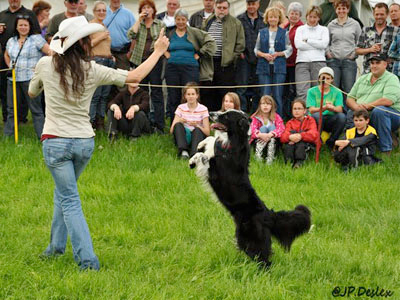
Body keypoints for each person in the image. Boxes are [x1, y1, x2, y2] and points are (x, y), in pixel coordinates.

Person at [28, 16, 169, 270]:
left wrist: (40, 80)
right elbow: (135, 75)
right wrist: (158, 51)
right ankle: (55, 248)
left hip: (56, 142)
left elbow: (31, 92)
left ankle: (88, 262)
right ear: (82, 45)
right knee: (64, 193)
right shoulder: (92, 70)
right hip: (83, 143)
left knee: (69, 198)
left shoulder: (45, 64)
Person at [165, 9, 216, 122]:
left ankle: (193, 121)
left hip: (190, 68)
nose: (180, 22)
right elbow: (157, 43)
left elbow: (210, 41)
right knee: (173, 96)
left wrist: (200, 54)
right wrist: (166, 53)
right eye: (178, 19)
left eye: (183, 19)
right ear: (175, 20)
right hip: (172, 68)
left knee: (190, 95)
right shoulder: (169, 33)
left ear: (187, 20)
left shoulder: (194, 32)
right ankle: (176, 123)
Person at [3, 14, 50, 139]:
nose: (23, 27)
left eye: (25, 25)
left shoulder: (36, 39)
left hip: (31, 79)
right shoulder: (11, 41)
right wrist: (9, 66)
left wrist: (40, 67)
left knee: (36, 110)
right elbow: (6, 54)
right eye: (20, 25)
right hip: (13, 79)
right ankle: (8, 137)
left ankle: (43, 137)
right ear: (16, 27)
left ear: (30, 26)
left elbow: (50, 52)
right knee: (11, 109)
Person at [346, 53, 400, 154]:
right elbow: (350, 98)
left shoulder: (392, 78)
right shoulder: (363, 78)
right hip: (364, 112)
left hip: (391, 115)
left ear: (385, 64)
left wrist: (367, 106)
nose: (374, 66)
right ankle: (353, 146)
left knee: (379, 111)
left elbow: (388, 100)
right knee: (351, 113)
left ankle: (386, 149)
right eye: (372, 63)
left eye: (377, 63)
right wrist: (356, 108)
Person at [127, 0, 165, 134]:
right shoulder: (140, 25)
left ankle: (159, 126)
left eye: (149, 7)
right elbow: (130, 35)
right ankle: (143, 123)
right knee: (141, 93)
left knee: (156, 93)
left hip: (154, 63)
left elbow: (161, 41)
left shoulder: (160, 24)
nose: (147, 10)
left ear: (154, 10)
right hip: (140, 63)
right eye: (144, 8)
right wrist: (139, 20)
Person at [0, 0, 40, 123]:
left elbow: (37, 34)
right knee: (5, 92)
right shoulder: (1, 14)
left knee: (24, 93)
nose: (14, 0)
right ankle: (8, 119)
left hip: (25, 61)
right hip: (5, 58)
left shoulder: (29, 13)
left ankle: (22, 119)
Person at [201, 0, 245, 112]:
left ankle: (225, 115)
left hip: (226, 64)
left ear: (228, 9)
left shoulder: (236, 23)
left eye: (224, 8)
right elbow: (201, 38)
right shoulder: (208, 21)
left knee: (224, 92)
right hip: (209, 63)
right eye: (219, 7)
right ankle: (210, 116)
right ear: (215, 7)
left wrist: (232, 57)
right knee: (208, 91)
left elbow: (240, 44)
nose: (221, 10)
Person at [255, 7, 292, 117]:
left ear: (279, 18)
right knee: (265, 94)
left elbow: (289, 49)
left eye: (275, 17)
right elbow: (256, 50)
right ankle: (264, 120)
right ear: (267, 18)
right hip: (264, 67)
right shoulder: (262, 32)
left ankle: (278, 120)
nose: (273, 19)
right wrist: (264, 55)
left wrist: (278, 54)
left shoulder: (284, 32)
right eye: (271, 17)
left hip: (279, 67)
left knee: (277, 94)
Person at [326, 0, 361, 97]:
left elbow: (360, 42)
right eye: (339, 8)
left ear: (348, 9)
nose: (341, 11)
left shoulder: (355, 24)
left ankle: (348, 112)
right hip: (333, 61)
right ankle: (336, 111)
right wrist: (328, 54)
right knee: (333, 89)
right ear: (336, 10)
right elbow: (326, 42)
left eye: (344, 8)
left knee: (348, 90)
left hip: (349, 61)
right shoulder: (331, 25)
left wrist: (354, 54)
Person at [294, 5, 329, 101]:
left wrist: (307, 40)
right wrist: (316, 43)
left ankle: (316, 114)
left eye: (315, 17)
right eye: (310, 16)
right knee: (302, 91)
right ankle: (304, 115)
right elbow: (298, 45)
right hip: (302, 62)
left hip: (319, 62)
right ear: (306, 16)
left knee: (318, 91)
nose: (312, 19)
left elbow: (324, 45)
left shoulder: (324, 29)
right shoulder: (300, 29)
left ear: (319, 18)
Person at [306, 67, 346, 149]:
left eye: (328, 78)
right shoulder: (311, 91)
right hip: (316, 119)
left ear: (332, 80)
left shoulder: (337, 91)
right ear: (319, 79)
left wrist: (332, 108)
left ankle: (332, 141)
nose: (325, 80)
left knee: (342, 117)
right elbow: (311, 110)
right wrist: (323, 108)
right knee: (317, 116)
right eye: (323, 78)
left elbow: (340, 109)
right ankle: (316, 141)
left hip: (331, 118)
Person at [236, 0, 265, 113]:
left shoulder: (264, 18)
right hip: (244, 57)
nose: (251, 6)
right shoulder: (239, 19)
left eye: (253, 4)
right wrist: (239, 52)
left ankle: (256, 111)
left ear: (258, 4)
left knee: (258, 87)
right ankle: (242, 111)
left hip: (260, 57)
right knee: (242, 87)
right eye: (249, 4)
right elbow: (236, 37)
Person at [89, 0, 114, 130]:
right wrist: (102, 37)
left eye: (104, 10)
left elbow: (105, 45)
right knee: (95, 95)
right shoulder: (91, 26)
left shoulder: (103, 25)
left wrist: (111, 55)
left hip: (108, 61)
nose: (101, 12)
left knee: (104, 95)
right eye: (99, 10)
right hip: (97, 61)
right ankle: (91, 123)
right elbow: (88, 45)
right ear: (94, 12)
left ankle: (100, 123)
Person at [170, 83, 210, 159]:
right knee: (178, 125)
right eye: (188, 94)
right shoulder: (180, 108)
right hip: (184, 136)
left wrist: (197, 126)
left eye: (193, 94)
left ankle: (194, 153)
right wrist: (179, 120)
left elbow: (207, 132)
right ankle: (183, 151)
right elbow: (172, 130)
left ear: (197, 95)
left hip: (197, 137)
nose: (191, 96)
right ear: (185, 96)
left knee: (197, 130)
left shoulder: (203, 109)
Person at [356, 3, 398, 74]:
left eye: (382, 14)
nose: (379, 17)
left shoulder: (395, 30)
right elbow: (357, 50)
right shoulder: (366, 30)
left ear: (387, 14)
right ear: (373, 14)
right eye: (377, 14)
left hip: (388, 72)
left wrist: (389, 57)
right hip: (368, 71)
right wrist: (370, 49)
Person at [280, 99, 319, 168]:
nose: (296, 111)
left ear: (304, 111)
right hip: (292, 143)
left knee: (301, 144)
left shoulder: (310, 120)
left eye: (299, 109)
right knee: (288, 145)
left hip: (305, 143)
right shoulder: (290, 122)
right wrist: (290, 137)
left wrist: (301, 136)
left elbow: (314, 134)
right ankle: (289, 164)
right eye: (294, 109)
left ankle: (299, 163)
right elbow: (283, 136)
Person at [282, 2, 303, 121]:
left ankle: (293, 114)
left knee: (294, 90)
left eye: (296, 13)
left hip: (295, 63)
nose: (294, 16)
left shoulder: (301, 28)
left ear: (300, 15)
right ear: (288, 14)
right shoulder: (285, 27)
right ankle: (285, 114)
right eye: (292, 13)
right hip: (284, 63)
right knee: (284, 90)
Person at [250, 95, 285, 164]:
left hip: (272, 139)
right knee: (263, 128)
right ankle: (259, 155)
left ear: (272, 106)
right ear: (260, 105)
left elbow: (281, 128)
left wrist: (271, 134)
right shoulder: (255, 117)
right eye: (263, 104)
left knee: (272, 127)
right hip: (259, 139)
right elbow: (251, 129)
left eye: (268, 104)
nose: (265, 106)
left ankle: (270, 156)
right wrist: (260, 134)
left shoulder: (276, 117)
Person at [104, 0, 135, 70]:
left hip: (123, 54)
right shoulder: (103, 12)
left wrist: (130, 52)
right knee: (105, 79)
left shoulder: (128, 14)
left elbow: (135, 35)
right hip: (105, 53)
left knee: (123, 78)